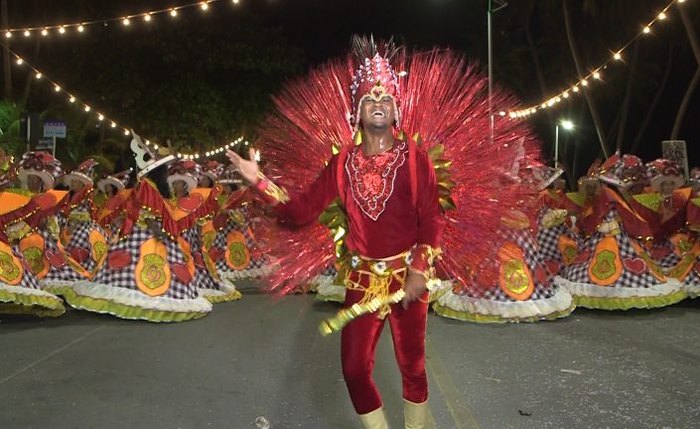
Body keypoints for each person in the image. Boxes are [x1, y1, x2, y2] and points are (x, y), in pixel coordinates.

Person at [227, 38, 444, 429]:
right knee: (354, 368)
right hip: (361, 281)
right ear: (356, 112)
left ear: (397, 109)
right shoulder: (342, 163)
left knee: (412, 365)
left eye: (385, 98)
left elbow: (430, 219)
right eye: (368, 99)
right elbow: (300, 211)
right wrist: (259, 181)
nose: (377, 103)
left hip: (407, 278)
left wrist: (418, 269)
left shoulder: (415, 159)